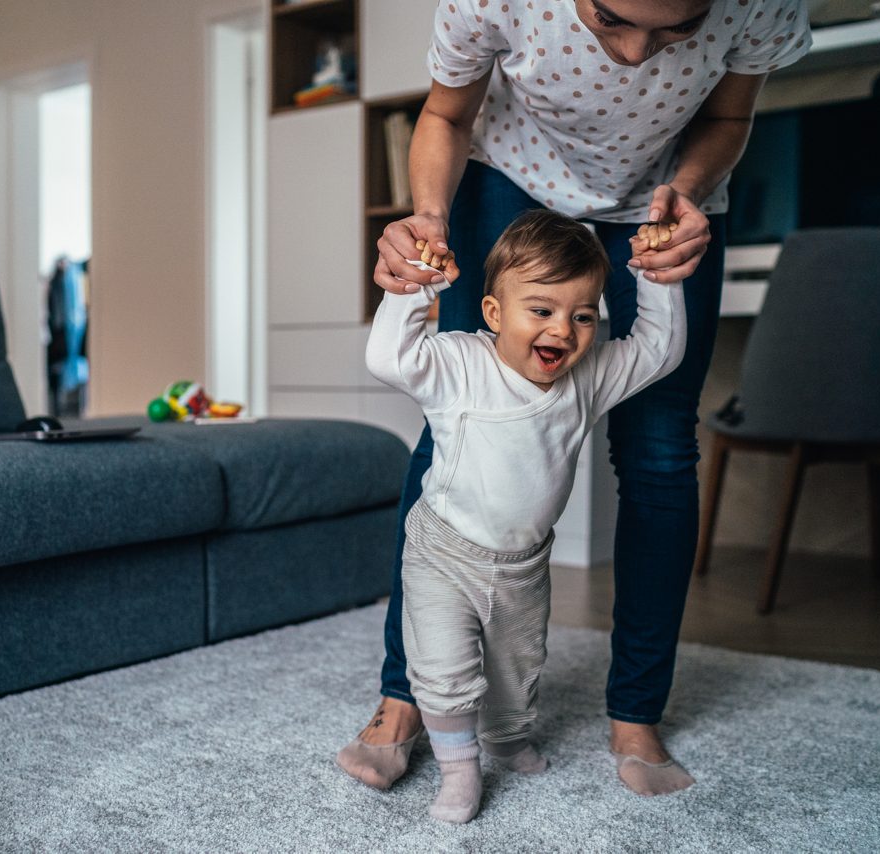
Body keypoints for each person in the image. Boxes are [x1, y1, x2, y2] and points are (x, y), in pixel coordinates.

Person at [338, 0, 812, 798]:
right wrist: (425, 217)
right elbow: (447, 112)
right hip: (509, 179)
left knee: (661, 452)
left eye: (675, 31)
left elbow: (730, 112)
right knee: (456, 428)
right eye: (610, 19)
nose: (635, 53)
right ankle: (404, 697)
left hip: (667, 201)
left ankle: (636, 714)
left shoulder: (766, 2)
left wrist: (687, 193)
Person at [365, 209, 685, 822]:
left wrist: (657, 280)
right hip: (442, 552)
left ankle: (506, 738)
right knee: (443, 669)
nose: (563, 330)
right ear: (493, 314)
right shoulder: (458, 364)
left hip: (522, 564)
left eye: (582, 315)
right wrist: (415, 290)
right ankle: (460, 771)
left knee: (517, 671)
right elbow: (388, 358)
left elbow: (659, 351)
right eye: (541, 310)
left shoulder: (588, 376)